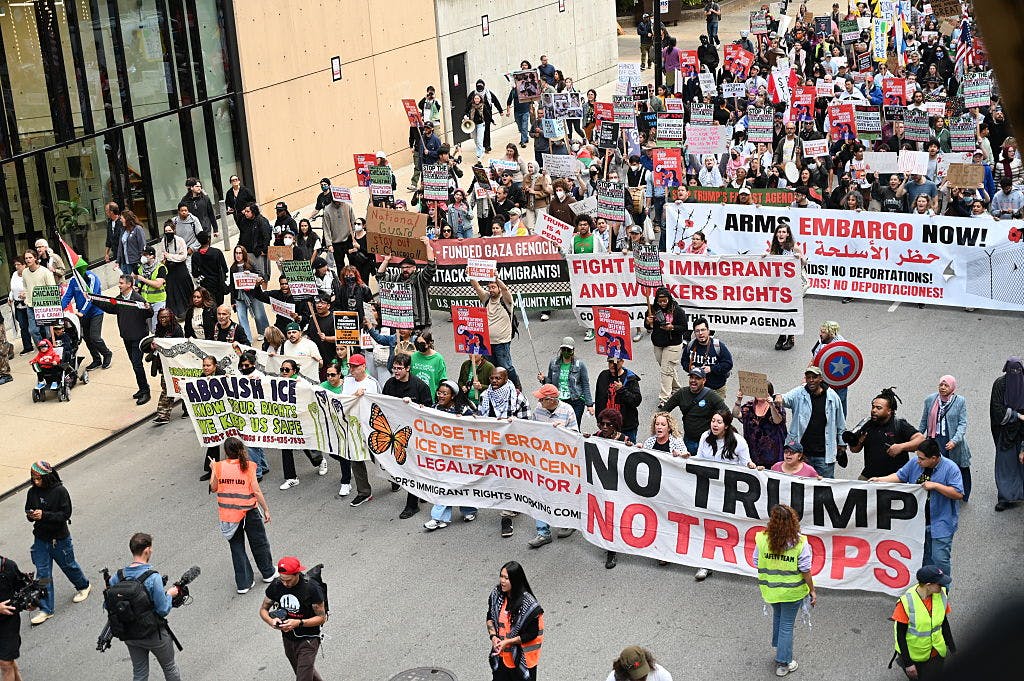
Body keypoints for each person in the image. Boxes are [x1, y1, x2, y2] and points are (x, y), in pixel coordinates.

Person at [870, 438, 963, 577]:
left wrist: (936, 486)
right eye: (918, 457)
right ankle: (926, 593)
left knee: (939, 560)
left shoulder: (950, 468)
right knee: (924, 560)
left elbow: (958, 493)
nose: (918, 461)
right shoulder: (915, 463)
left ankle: (942, 592)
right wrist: (880, 480)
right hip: (918, 523)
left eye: (922, 459)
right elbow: (900, 476)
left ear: (934, 458)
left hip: (941, 523)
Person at [104, 533, 181, 681]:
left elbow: (110, 605)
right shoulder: (153, 577)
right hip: (153, 633)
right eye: (151, 549)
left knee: (139, 673)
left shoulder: (116, 577)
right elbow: (163, 609)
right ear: (146, 550)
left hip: (130, 634)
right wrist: (170, 594)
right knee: (169, 667)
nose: (151, 551)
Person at [23, 461, 90, 626]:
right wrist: (31, 515)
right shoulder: (32, 492)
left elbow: (65, 515)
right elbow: (28, 511)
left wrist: (44, 515)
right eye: (33, 478)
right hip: (40, 540)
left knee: (69, 566)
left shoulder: (60, 491)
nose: (36, 481)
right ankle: (46, 609)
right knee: (43, 575)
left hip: (59, 540)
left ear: (47, 477)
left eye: (38, 478)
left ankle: (84, 585)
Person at [753, 504, 816, 678]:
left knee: (779, 618)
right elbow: (805, 570)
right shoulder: (800, 543)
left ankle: (779, 647)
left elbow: (756, 562)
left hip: (771, 590)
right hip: (792, 593)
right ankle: (783, 662)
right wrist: (812, 590)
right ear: (793, 521)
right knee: (787, 625)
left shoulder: (762, 539)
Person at [209, 437, 276, 594]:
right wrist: (265, 509)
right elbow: (256, 491)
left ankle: (244, 583)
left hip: (228, 515)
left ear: (225, 452)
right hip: (249, 511)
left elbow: (213, 488)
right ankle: (268, 572)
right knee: (259, 542)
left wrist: (213, 469)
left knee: (237, 547)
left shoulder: (218, 467)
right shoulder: (249, 466)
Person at [260, 556, 327, 681]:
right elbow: (263, 609)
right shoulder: (277, 585)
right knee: (305, 672)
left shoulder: (311, 588)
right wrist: (271, 621)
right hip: (288, 639)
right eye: (282, 579)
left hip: (309, 639)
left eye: (288, 580)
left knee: (303, 677)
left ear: (297, 574)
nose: (285, 583)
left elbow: (322, 618)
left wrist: (298, 623)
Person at [424, 380, 479, 530]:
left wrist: (468, 420)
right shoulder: (434, 408)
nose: (441, 396)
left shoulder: (464, 409)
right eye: (439, 392)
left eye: (445, 393)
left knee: (462, 483)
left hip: (461, 456)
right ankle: (439, 517)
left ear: (453, 396)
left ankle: (469, 510)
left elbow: (478, 424)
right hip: (441, 455)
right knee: (444, 484)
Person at [91, 275, 154, 405]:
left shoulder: (137, 299)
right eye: (119, 283)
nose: (119, 285)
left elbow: (149, 313)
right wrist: (93, 300)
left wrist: (148, 307)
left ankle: (145, 391)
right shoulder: (119, 299)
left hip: (138, 337)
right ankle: (142, 389)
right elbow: (110, 307)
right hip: (127, 337)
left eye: (121, 283)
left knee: (137, 364)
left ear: (129, 285)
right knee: (134, 363)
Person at [383, 354, 432, 519]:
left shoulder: (420, 386)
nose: (395, 371)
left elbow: (429, 410)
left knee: (413, 468)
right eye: (394, 368)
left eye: (399, 368)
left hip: (415, 435)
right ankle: (422, 491)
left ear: (408, 368)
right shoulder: (389, 384)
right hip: (396, 433)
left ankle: (412, 505)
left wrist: (415, 407)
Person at [775, 367, 846, 478]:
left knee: (824, 488)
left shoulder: (832, 397)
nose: (811, 380)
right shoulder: (799, 392)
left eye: (814, 377)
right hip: (801, 453)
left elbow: (840, 422)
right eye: (808, 377)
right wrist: (778, 396)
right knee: (801, 487)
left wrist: (842, 444)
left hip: (824, 454)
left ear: (821, 378)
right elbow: (785, 398)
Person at [890, 565, 955, 680]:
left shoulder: (941, 595)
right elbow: (900, 636)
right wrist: (908, 664)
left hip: (936, 653)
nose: (943, 586)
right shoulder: (906, 603)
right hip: (915, 657)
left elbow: (944, 622)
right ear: (928, 585)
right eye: (939, 584)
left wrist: (952, 646)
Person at [848, 387, 925, 480]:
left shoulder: (899, 424)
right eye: (873, 407)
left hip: (895, 479)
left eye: (878, 408)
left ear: (889, 411)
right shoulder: (867, 424)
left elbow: (920, 439)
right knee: (855, 493)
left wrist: (901, 447)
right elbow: (854, 450)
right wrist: (858, 441)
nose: (874, 410)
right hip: (870, 476)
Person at [486, 561, 543, 681]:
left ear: (515, 580)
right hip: (501, 658)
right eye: (501, 576)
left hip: (522, 661)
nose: (502, 580)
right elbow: (490, 617)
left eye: (506, 578)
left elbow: (531, 634)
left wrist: (508, 642)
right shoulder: (496, 595)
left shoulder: (529, 605)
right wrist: (493, 637)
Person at [919, 376, 972, 502]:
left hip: (953, 442)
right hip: (935, 440)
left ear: (952, 387)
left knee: (959, 467)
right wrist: (917, 437)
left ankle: (962, 493)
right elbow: (924, 421)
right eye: (941, 385)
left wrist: (955, 440)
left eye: (946, 385)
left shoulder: (960, 401)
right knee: (933, 466)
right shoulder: (930, 400)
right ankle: (934, 492)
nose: (942, 388)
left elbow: (962, 424)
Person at [470, 277, 522, 389]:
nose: (491, 290)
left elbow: (505, 289)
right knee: (492, 368)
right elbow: (476, 286)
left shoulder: (506, 300)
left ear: (499, 288)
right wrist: (470, 274)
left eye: (493, 287)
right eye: (489, 287)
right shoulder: (486, 299)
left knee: (505, 367)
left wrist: (496, 278)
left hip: (502, 342)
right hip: (487, 343)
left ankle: (516, 386)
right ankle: (496, 387)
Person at [376, 238, 436, 332]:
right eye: (402, 267)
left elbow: (431, 267)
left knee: (422, 346)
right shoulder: (396, 279)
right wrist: (386, 260)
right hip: (403, 324)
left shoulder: (420, 278)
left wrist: (427, 245)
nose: (405, 270)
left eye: (408, 267)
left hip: (421, 323)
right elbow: (380, 277)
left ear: (414, 268)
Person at [663, 368, 728, 455]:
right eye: (691, 377)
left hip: (708, 442)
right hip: (689, 441)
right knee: (687, 466)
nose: (693, 381)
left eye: (697, 378)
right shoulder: (681, 393)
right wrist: (670, 429)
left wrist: (718, 426)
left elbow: (727, 414)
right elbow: (663, 412)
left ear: (704, 380)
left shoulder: (711, 396)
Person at [60, 265, 112, 370]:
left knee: (95, 337)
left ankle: (107, 354)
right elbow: (67, 296)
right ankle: (96, 359)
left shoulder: (92, 278)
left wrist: (83, 312)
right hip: (82, 314)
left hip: (96, 312)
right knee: (87, 338)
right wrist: (59, 309)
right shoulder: (74, 280)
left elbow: (90, 297)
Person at [989, 357, 1024, 511]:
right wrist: (1016, 415)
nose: (1015, 374)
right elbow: (996, 410)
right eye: (1012, 371)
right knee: (1006, 464)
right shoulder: (1000, 384)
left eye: (1018, 371)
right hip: (1005, 433)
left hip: (1023, 432)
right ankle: (1005, 497)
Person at [645, 287, 687, 408]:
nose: (662, 303)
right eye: (660, 301)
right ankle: (677, 388)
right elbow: (647, 326)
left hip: (673, 344)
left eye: (665, 301)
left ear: (669, 299)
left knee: (665, 370)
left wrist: (672, 327)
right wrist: (648, 322)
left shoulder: (678, 311)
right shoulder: (652, 309)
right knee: (667, 368)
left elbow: (684, 327)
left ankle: (664, 398)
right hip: (658, 344)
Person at [537, 337, 594, 427]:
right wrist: (544, 379)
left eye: (569, 350)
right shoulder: (553, 362)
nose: (566, 352)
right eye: (564, 349)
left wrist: (589, 404)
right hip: (559, 402)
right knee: (559, 427)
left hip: (576, 401)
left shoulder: (580, 365)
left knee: (573, 427)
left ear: (573, 350)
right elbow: (550, 383)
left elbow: (585, 384)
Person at [734, 382, 787, 469]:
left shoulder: (776, 406)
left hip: (772, 453)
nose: (759, 393)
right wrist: (739, 400)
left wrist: (771, 406)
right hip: (753, 451)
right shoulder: (749, 405)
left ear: (769, 393)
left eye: (762, 390)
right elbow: (736, 414)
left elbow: (777, 421)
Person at [594, 357, 642, 443]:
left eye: (615, 362)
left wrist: (622, 390)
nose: (612, 365)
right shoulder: (603, 376)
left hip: (626, 427)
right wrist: (599, 420)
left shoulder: (630, 378)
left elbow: (636, 401)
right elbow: (599, 399)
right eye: (610, 362)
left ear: (622, 362)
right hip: (607, 426)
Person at [685, 318, 733, 401]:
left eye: (703, 330)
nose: (700, 333)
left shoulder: (718, 346)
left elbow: (728, 364)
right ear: (694, 332)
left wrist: (711, 369)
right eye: (697, 331)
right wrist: (690, 368)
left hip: (716, 389)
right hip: (697, 389)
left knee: (716, 413)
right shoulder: (691, 346)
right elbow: (684, 361)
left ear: (708, 331)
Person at [229, 245, 269, 343]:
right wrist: (233, 300)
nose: (238, 255)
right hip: (239, 296)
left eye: (240, 253)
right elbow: (232, 285)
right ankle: (247, 338)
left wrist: (254, 276)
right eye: (236, 253)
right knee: (241, 317)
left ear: (244, 254)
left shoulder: (251, 264)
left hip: (254, 294)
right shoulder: (233, 268)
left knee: (259, 314)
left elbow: (259, 274)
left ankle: (263, 332)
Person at [20, 250, 56, 346]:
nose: (28, 260)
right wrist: (27, 299)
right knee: (32, 330)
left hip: (44, 305)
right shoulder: (24, 272)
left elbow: (52, 288)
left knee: (47, 332)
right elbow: (25, 286)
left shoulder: (45, 272)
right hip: (31, 305)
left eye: (30, 257)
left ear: (35, 258)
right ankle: (42, 348)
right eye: (26, 258)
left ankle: (50, 348)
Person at [159, 221, 193, 320]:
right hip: (169, 270)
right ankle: (175, 313)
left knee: (185, 289)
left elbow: (183, 256)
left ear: (174, 230)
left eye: (170, 230)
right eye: (166, 231)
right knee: (171, 291)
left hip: (180, 268)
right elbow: (163, 254)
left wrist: (170, 256)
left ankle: (188, 311)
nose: (168, 233)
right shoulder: (163, 241)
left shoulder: (180, 240)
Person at [134, 247, 167, 333]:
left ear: (152, 256)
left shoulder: (160, 268)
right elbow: (132, 277)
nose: (143, 256)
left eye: (145, 255)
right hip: (145, 302)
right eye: (142, 254)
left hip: (158, 301)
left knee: (156, 328)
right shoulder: (140, 267)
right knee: (150, 328)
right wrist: (136, 287)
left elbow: (158, 284)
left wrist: (142, 279)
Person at [191, 230, 229, 306]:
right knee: (219, 306)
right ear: (208, 239)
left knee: (208, 307)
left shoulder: (195, 256)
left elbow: (195, 274)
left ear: (198, 241)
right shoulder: (217, 252)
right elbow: (225, 269)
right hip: (218, 285)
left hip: (205, 286)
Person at [410, 330, 447, 396]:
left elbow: (442, 380)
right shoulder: (413, 356)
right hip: (415, 395)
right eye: (418, 343)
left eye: (422, 343)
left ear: (429, 343)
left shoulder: (438, 359)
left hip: (430, 396)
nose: (419, 346)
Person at [607, 645, 673, 680]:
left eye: (643, 672)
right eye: (637, 677)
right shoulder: (613, 679)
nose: (642, 678)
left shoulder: (661, 674)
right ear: (625, 672)